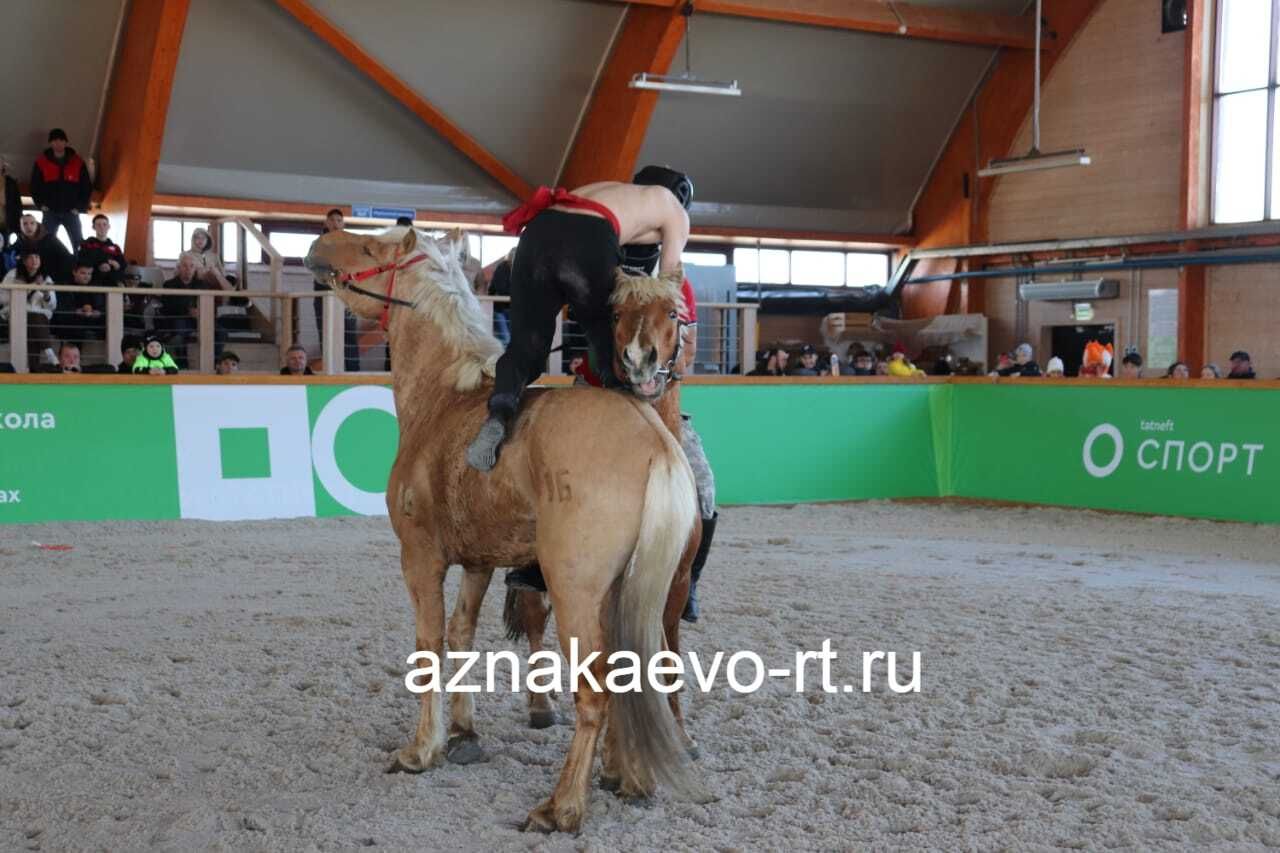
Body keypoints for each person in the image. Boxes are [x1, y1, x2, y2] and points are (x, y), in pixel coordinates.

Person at [466, 166, 692, 472]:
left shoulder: (613, 188)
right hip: (589, 236)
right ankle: (627, 429)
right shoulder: (675, 211)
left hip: (537, 232)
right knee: (606, 338)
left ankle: (499, 414)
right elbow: (666, 287)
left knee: (526, 348)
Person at [309, 208, 359, 373]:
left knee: (350, 336)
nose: (336, 223)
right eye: (332, 220)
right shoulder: (319, 243)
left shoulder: (351, 243)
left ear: (343, 224)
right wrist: (331, 275)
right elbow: (310, 263)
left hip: (347, 294)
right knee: (327, 336)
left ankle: (353, 372)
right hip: (325, 293)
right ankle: (328, 372)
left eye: (339, 220)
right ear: (326, 223)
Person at [31, 128, 92, 251]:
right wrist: (40, 205)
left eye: (61, 140)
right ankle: (47, 269)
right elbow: (34, 186)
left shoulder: (77, 162)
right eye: (54, 141)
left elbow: (86, 186)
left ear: (66, 142)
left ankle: (80, 269)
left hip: (71, 212)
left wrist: (80, 207)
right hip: (50, 212)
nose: (58, 143)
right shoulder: (41, 162)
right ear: (50, 143)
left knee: (78, 244)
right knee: (45, 244)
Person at [1, 252, 58, 368]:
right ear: (24, 261)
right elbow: (2, 298)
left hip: (39, 316)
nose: (34, 260)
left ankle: (35, 368)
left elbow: (52, 305)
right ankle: (49, 355)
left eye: (37, 257)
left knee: (33, 320)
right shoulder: (13, 274)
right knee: (32, 320)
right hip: (16, 314)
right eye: (31, 257)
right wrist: (31, 287)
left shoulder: (46, 277)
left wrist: (46, 295)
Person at [12, 213, 73, 284]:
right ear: (20, 227)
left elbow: (66, 258)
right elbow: (18, 258)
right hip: (32, 276)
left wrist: (45, 275)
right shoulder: (20, 240)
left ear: (37, 225)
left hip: (55, 275)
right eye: (25, 224)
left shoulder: (50, 239)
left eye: (32, 223)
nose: (29, 227)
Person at [55, 260, 104, 345]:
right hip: (70, 321)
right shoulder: (65, 286)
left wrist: (98, 313)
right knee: (77, 326)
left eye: (89, 274)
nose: (87, 277)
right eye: (83, 273)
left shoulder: (94, 288)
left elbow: (101, 307)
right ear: (74, 272)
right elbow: (60, 309)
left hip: (90, 320)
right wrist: (75, 312)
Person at [78, 214, 125, 287]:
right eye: (98, 225)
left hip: (112, 283)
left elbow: (122, 265)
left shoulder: (115, 247)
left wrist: (115, 265)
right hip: (93, 283)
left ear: (109, 227)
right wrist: (106, 263)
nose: (102, 227)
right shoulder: (87, 244)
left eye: (104, 224)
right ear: (93, 227)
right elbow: (83, 261)